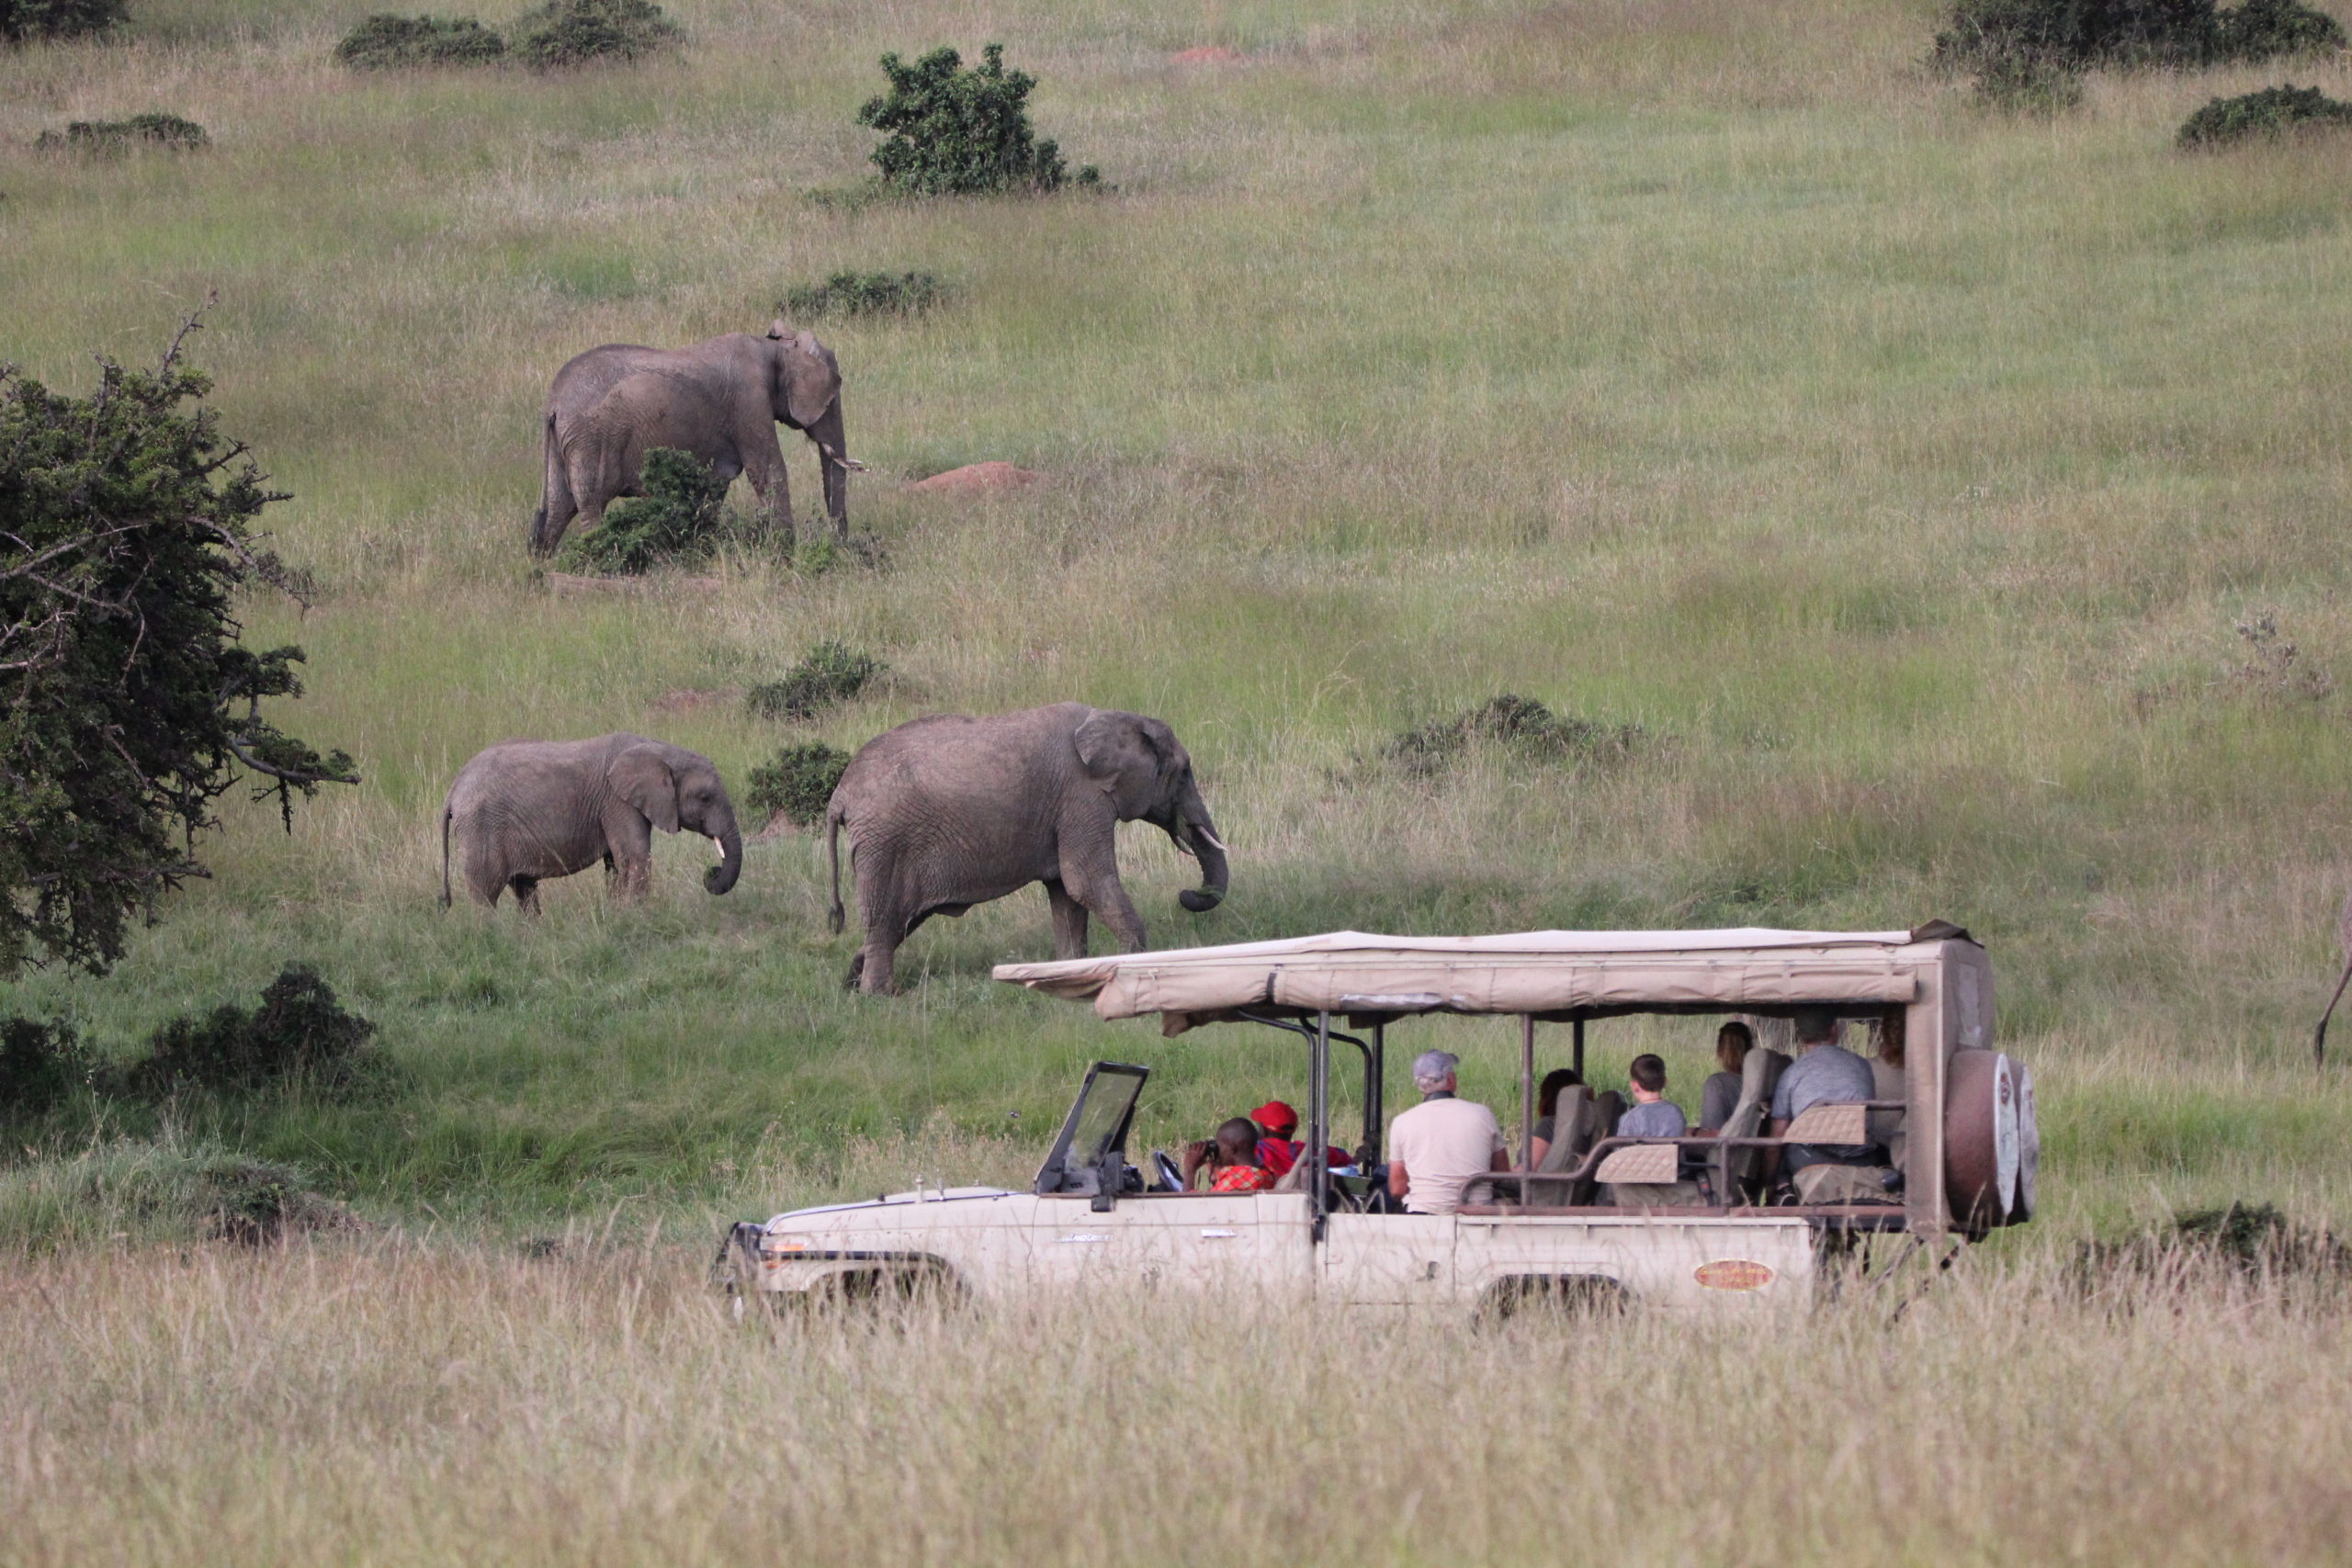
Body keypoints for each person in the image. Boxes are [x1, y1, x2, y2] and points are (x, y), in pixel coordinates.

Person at [1386, 1050, 1509, 1215]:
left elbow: (1397, 1189)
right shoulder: (1482, 1114)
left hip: (1423, 1217)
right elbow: (1502, 1172)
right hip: (1477, 1215)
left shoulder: (1402, 1122)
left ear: (1419, 1084)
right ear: (1451, 1079)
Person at [1767, 1007, 1880, 1183]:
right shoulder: (1862, 1065)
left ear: (1801, 1037)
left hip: (1810, 1160)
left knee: (1785, 1146)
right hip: (1860, 1160)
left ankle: (1784, 1195)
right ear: (1834, 1030)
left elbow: (1777, 1135)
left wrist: (1770, 1182)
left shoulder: (1792, 1073)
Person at [1250, 1100, 1350, 1179]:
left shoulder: (1256, 1149)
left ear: (1263, 1129)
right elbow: (1345, 1157)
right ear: (1294, 1129)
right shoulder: (1304, 1151)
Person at [1182, 1118, 1273, 1192]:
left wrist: (1189, 1170)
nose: (1219, 1151)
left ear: (1231, 1148)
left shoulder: (1232, 1182)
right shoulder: (1267, 1176)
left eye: (1220, 1147)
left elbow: (1190, 1207)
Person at [1696, 1021, 1754, 1135]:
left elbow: (1711, 1133)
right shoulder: (1760, 1084)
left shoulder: (1717, 1083)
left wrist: (1691, 1133)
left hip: (1726, 1151)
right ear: (1751, 1049)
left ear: (1719, 1052)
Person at [1524, 1068, 1585, 1168]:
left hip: (1533, 1183)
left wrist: (1504, 1175)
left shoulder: (1548, 1125)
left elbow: (1530, 1167)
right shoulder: (1585, 1128)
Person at [1616, 1054, 1687, 1139]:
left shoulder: (1630, 1119)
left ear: (1634, 1086)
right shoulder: (1676, 1113)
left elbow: (1621, 1151)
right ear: (1665, 1082)